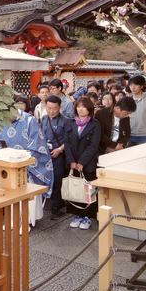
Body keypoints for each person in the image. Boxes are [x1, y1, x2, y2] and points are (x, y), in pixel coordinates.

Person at [0, 108, 54, 217]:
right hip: (8, 163)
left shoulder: (29, 120)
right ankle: (11, 219)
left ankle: (27, 221)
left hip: (27, 165)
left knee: (27, 193)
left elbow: (37, 143)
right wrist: (5, 155)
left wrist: (22, 158)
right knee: (8, 191)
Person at [64, 97, 101, 230]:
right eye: (78, 106)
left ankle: (88, 216)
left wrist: (82, 162)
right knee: (75, 188)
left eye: (84, 107)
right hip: (73, 162)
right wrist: (71, 161)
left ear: (89, 109)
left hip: (88, 163)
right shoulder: (71, 122)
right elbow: (66, 143)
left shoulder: (95, 124)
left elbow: (93, 145)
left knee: (87, 189)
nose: (80, 109)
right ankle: (77, 214)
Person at [40, 95, 72, 219]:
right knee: (46, 179)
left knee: (57, 180)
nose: (51, 111)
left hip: (58, 154)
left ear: (60, 107)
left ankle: (56, 207)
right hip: (46, 155)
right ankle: (48, 203)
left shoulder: (66, 121)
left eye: (54, 108)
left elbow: (70, 140)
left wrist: (60, 149)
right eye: (49, 108)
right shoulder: (43, 119)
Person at [128, 75, 146, 145]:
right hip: (130, 134)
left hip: (145, 135)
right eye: (131, 85)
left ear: (141, 86)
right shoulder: (128, 100)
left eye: (135, 85)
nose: (132, 87)